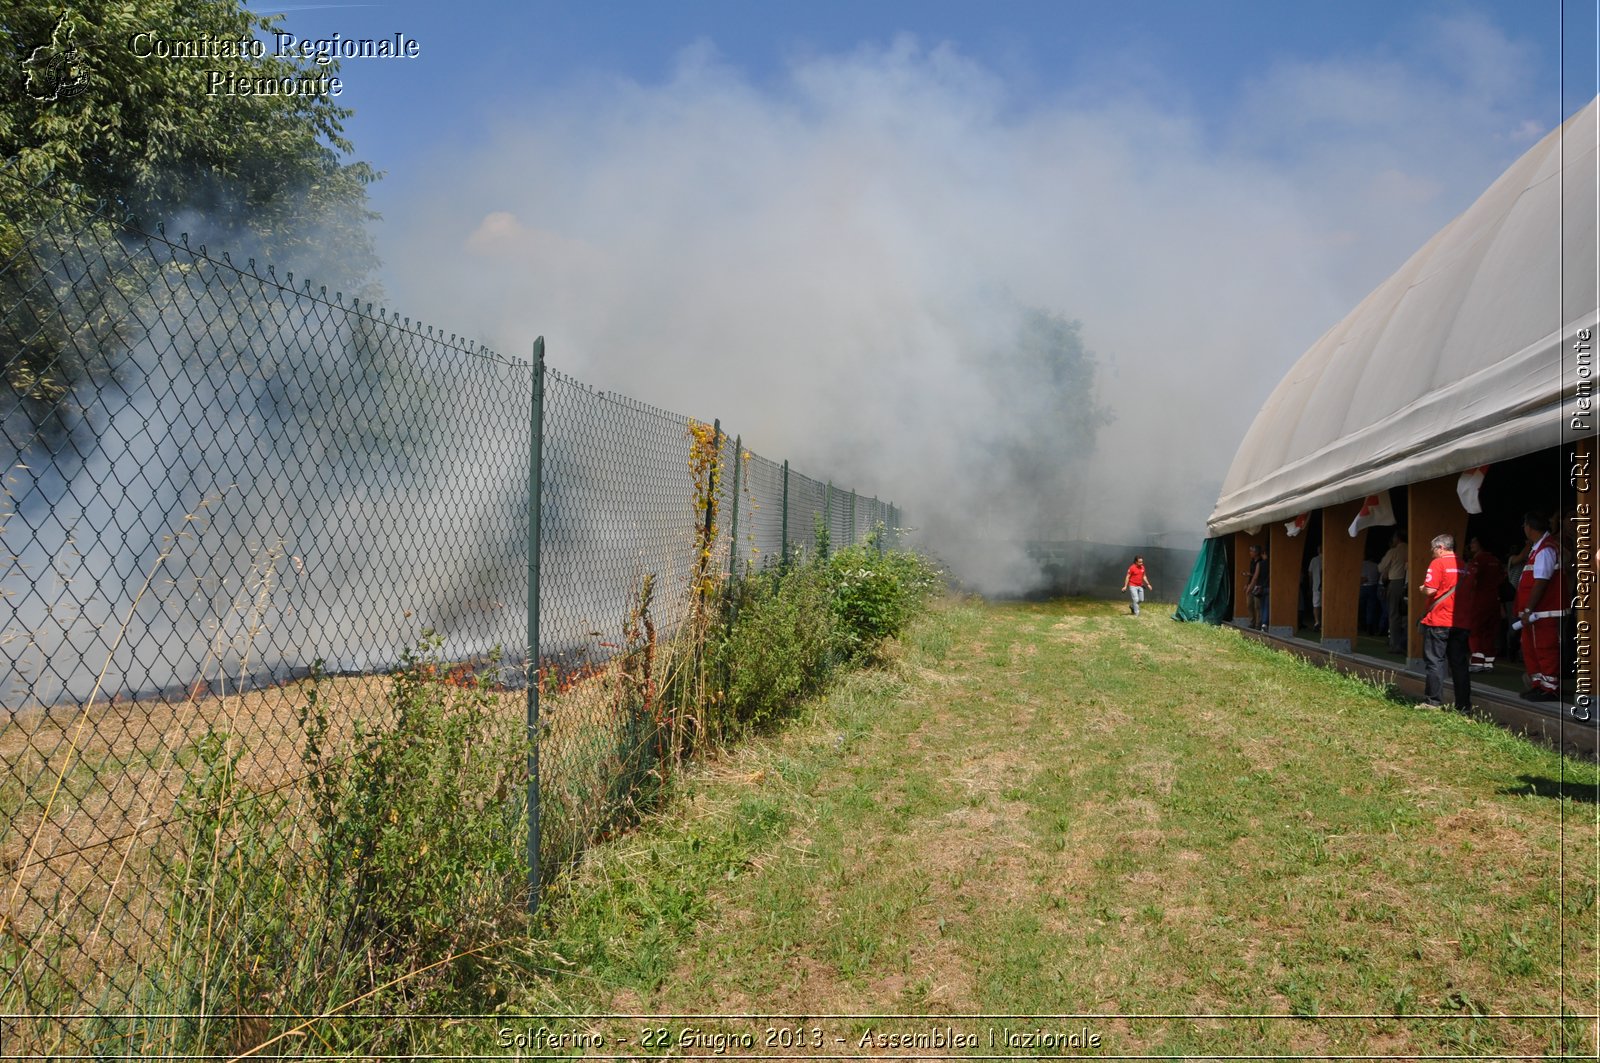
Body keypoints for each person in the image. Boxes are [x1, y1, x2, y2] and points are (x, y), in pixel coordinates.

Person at [1514, 511, 1565, 701]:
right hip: (1536, 613)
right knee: (1531, 648)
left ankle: (1550, 688)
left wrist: (1528, 609)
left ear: (1529, 527)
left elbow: (1541, 581)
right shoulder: (1538, 547)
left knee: (1545, 648)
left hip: (1541, 612)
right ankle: (1539, 685)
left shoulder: (1546, 549)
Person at [1418, 533, 1471, 711]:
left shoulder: (1438, 563)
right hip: (1461, 621)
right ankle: (1463, 705)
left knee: (1435, 661)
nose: (1432, 553)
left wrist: (1422, 589)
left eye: (1433, 549)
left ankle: (1432, 702)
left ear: (1441, 548)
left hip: (1439, 620)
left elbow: (1431, 590)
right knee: (1460, 664)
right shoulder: (1465, 565)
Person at [1465, 536, 1505, 672]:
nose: (1471, 544)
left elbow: (1471, 580)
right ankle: (1488, 663)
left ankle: (1477, 662)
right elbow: (1502, 578)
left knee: (1475, 630)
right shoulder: (1495, 560)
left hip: (1479, 600)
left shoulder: (1478, 560)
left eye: (1474, 542)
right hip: (1494, 600)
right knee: (1489, 632)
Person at [1379, 529, 1408, 653]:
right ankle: (1406, 642)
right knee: (1407, 615)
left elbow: (1381, 567)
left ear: (1397, 538)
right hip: (1409, 583)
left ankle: (1395, 644)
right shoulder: (1411, 548)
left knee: (1394, 614)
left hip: (1396, 582)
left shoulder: (1394, 551)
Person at [1360, 556, 1383, 634]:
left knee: (1361, 607)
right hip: (1373, 586)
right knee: (1371, 608)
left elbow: (1362, 579)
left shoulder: (1361, 564)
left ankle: (1362, 625)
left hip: (1363, 587)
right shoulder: (1376, 565)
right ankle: (1369, 627)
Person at [1244, 543, 1265, 629]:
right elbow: (1253, 575)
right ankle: (1251, 622)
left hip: (1257, 586)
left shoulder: (1260, 562)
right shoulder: (1252, 561)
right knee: (1249, 605)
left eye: (1251, 551)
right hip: (1251, 584)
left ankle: (1258, 624)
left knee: (1257, 606)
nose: (1250, 553)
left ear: (1256, 552)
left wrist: (1250, 586)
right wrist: (1247, 584)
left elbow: (1257, 576)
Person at [1307, 545, 1323, 631]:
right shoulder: (1328, 558)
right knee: (1325, 605)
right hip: (1326, 587)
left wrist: (1310, 586)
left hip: (1316, 586)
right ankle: (1324, 622)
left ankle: (1317, 622)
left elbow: (1310, 574)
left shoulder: (1314, 560)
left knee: (1316, 605)